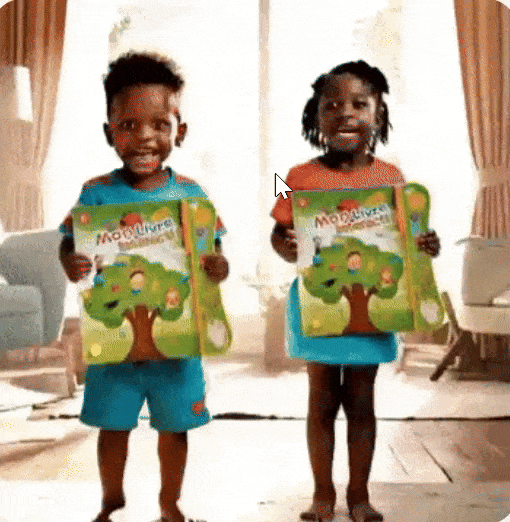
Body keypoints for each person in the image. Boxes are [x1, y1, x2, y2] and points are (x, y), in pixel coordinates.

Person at [59, 52, 228, 522]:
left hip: (177, 346)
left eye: (159, 124)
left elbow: (212, 252)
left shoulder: (193, 196)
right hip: (115, 348)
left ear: (180, 130)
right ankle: (110, 499)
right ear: (109, 132)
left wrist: (217, 267)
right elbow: (70, 241)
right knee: (113, 428)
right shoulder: (95, 193)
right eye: (128, 125)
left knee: (175, 429)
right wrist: (71, 261)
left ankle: (170, 503)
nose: (144, 137)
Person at [270, 61, 440, 522]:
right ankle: (322, 494)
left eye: (359, 104)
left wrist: (426, 244)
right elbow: (278, 232)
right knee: (321, 401)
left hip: (373, 307)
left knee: (362, 402)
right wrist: (285, 245)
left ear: (378, 115)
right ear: (315, 116)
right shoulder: (291, 176)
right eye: (332, 105)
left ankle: (359, 496)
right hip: (319, 303)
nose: (345, 112)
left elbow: (407, 239)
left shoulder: (393, 177)